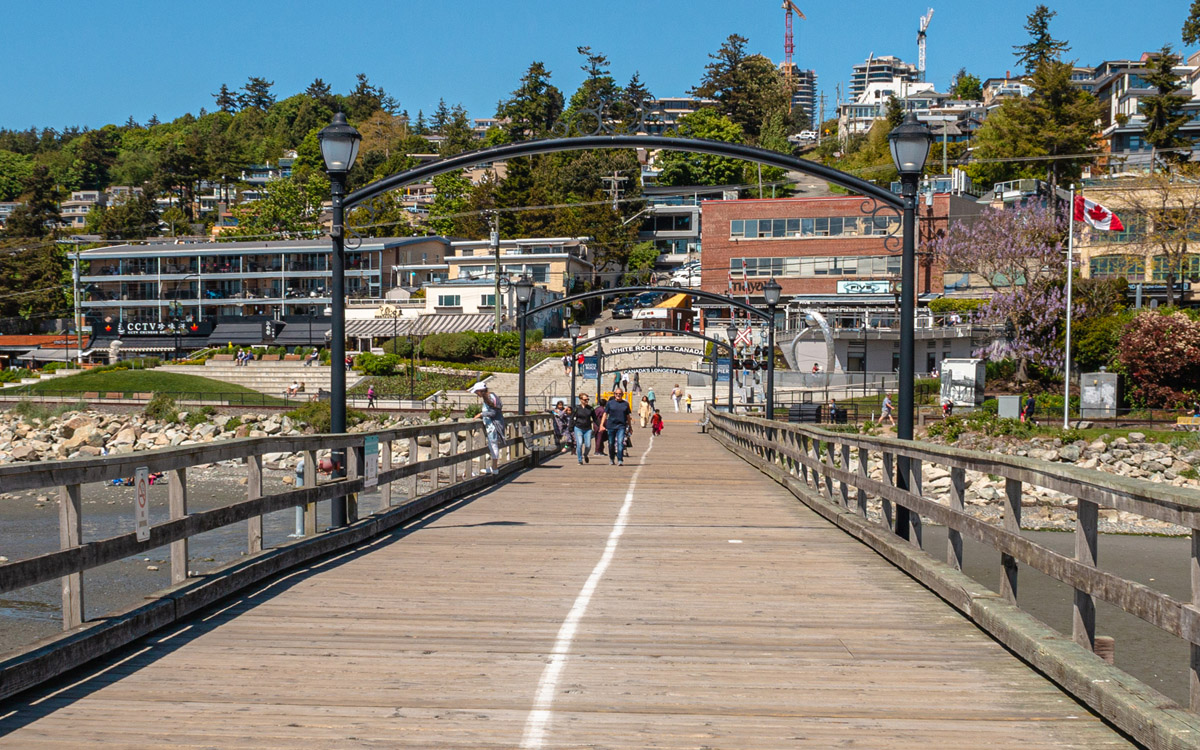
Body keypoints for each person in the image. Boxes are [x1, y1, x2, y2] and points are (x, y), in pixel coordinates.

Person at [470, 381, 505, 475]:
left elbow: (493, 413)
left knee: (493, 446)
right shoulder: (491, 396)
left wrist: (481, 414)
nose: (476, 394)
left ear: (480, 391)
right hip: (494, 424)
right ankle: (494, 467)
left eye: (476, 392)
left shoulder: (489, 397)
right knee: (493, 445)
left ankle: (494, 468)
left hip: (493, 426)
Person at [600, 388, 632, 465]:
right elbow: (605, 414)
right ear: (614, 394)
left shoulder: (625, 404)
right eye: (617, 394)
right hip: (611, 426)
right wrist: (602, 424)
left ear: (622, 395)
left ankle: (620, 459)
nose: (618, 395)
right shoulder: (610, 403)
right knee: (611, 443)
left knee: (620, 442)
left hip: (621, 426)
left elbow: (628, 416)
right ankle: (611, 458)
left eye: (620, 394)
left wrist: (630, 426)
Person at [572, 394, 595, 464]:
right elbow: (572, 418)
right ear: (581, 400)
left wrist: (600, 426)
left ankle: (585, 454)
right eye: (585, 400)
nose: (587, 401)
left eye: (588, 399)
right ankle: (580, 460)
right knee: (579, 444)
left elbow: (595, 418)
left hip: (588, 429)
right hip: (578, 428)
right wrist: (570, 427)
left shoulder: (590, 408)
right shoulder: (577, 408)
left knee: (588, 445)